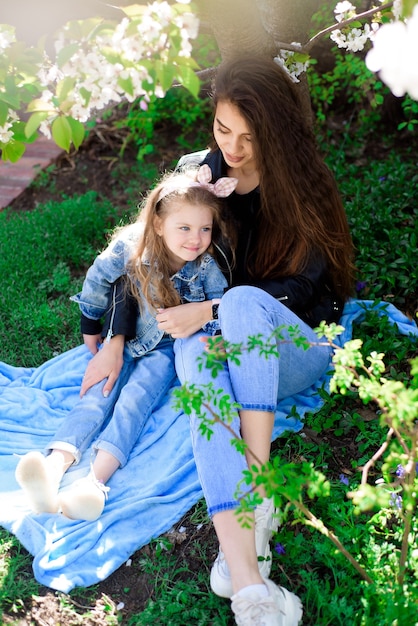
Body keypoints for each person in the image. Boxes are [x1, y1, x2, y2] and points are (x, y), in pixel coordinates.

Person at [64, 56, 355, 625]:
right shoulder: (197, 173)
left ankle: (257, 486)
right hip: (214, 340)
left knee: (241, 302)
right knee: (193, 347)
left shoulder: (302, 185)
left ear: (276, 132)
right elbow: (144, 257)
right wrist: (119, 338)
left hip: (296, 346)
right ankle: (246, 583)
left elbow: (307, 287)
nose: (234, 149)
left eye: (250, 136)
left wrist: (215, 305)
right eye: (224, 130)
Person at [15, 168, 236, 522]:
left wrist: (209, 332)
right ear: (160, 223)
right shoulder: (132, 245)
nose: (195, 239)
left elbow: (221, 309)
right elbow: (99, 275)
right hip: (129, 336)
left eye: (204, 229)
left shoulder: (207, 267)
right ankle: (53, 467)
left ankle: (93, 483)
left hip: (166, 350)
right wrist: (90, 321)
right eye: (184, 228)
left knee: (133, 404)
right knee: (96, 396)